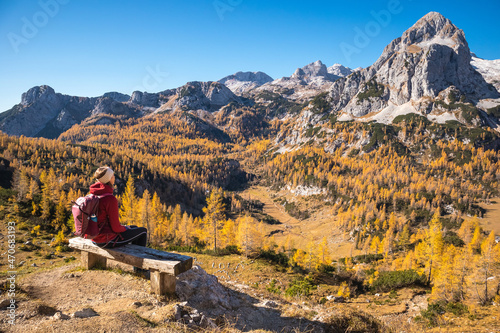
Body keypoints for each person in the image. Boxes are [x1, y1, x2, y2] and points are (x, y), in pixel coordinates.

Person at [87, 166, 148, 249]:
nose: (114, 177)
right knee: (143, 231)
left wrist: (126, 228)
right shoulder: (110, 199)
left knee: (135, 228)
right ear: (108, 179)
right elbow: (116, 228)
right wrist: (125, 228)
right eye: (112, 176)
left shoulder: (92, 195)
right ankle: (138, 259)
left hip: (95, 238)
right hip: (107, 240)